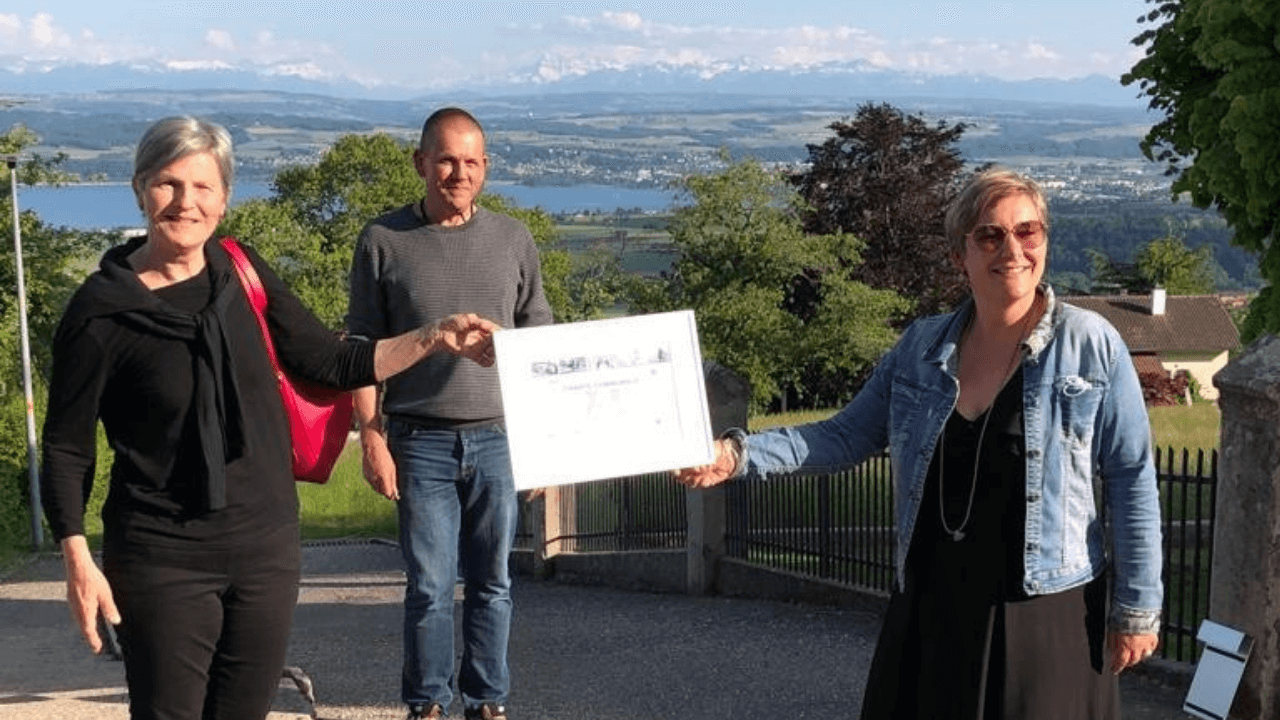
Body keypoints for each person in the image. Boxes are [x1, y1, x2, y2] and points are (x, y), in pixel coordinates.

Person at [40, 115, 499, 720]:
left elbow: (332, 361)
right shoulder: (101, 311)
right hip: (161, 557)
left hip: (265, 552)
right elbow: (66, 446)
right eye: (168, 183)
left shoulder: (241, 273)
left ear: (224, 200)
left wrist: (434, 337)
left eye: (202, 187)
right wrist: (77, 557)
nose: (185, 202)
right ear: (140, 189)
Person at [676, 167, 1163, 719]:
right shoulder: (921, 350)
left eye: (1028, 231)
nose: (1013, 250)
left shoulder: (1089, 344)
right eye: (990, 235)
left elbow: (1131, 475)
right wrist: (734, 456)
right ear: (960, 256)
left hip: (1045, 614)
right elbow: (844, 435)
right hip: (934, 609)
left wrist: (1137, 606)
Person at [347, 107, 553, 720]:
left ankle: (486, 700)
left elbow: (542, 345)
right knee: (430, 588)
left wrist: (547, 445)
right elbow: (361, 350)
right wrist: (372, 439)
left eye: (470, 162)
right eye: (445, 160)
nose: (458, 173)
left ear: (485, 167)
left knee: (494, 583)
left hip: (499, 439)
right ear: (420, 163)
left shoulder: (514, 239)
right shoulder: (382, 240)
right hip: (419, 441)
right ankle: (428, 703)